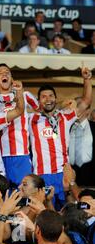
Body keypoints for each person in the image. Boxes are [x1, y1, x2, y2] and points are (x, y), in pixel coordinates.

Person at [29, 67, 92, 209]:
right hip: (41, 175)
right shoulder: (32, 119)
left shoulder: (65, 116)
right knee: (45, 215)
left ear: (55, 98)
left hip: (62, 173)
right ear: (38, 101)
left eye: (51, 96)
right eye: (44, 97)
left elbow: (86, 101)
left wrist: (87, 79)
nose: (48, 99)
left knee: (68, 211)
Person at [0, 64, 39, 187]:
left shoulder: (25, 95)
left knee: (25, 193)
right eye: (0, 73)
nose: (4, 74)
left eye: (7, 72)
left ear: (12, 78)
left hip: (21, 155)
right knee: (2, 194)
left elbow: (43, 109)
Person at [0, 192, 75, 244]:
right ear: (62, 229)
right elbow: (65, 241)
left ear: (37, 230)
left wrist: (3, 211)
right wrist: (43, 211)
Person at [69, 97, 95, 187]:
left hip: (92, 181)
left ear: (88, 111)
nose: (76, 110)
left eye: (79, 107)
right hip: (69, 182)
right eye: (74, 107)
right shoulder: (63, 129)